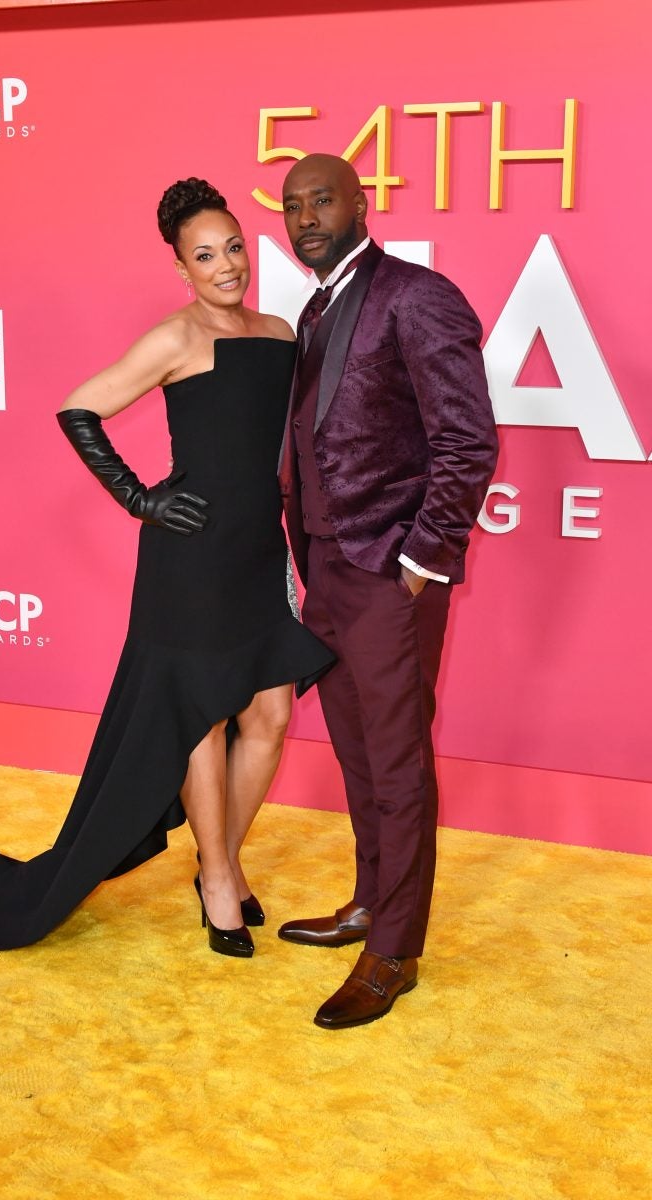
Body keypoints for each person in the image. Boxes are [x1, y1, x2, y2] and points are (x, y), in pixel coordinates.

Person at [0, 178, 334, 958]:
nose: (226, 266)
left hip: (258, 553)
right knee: (199, 716)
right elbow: (78, 407)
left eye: (233, 248)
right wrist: (141, 501)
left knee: (271, 717)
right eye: (205, 256)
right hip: (190, 560)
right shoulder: (175, 338)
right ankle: (221, 878)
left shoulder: (279, 331)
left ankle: (218, 860)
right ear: (181, 268)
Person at [275, 154, 498, 1026]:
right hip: (326, 571)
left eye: (321, 200)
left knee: (399, 763)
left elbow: (467, 439)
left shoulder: (417, 295)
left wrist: (421, 561)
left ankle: (395, 950)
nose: (306, 218)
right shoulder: (316, 307)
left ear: (361, 204)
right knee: (359, 754)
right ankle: (371, 903)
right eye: (292, 206)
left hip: (387, 576)